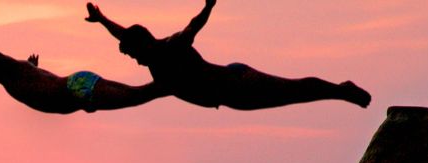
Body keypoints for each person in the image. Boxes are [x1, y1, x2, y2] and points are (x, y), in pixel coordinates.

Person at [84, 0, 372, 110]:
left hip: (238, 82)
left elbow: (191, 28)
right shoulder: (147, 51)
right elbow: (123, 34)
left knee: (293, 90)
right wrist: (102, 18)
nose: (135, 61)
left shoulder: (169, 49)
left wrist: (208, 6)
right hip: (231, 98)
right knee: (291, 95)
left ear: (144, 45)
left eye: (134, 55)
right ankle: (338, 91)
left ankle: (341, 90)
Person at [0, 19, 169, 114]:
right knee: (140, 93)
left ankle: (178, 80)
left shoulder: (9, 73)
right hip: (78, 88)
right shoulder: (18, 72)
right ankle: (174, 82)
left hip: (76, 89)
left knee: (141, 94)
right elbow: (30, 73)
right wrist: (33, 67)